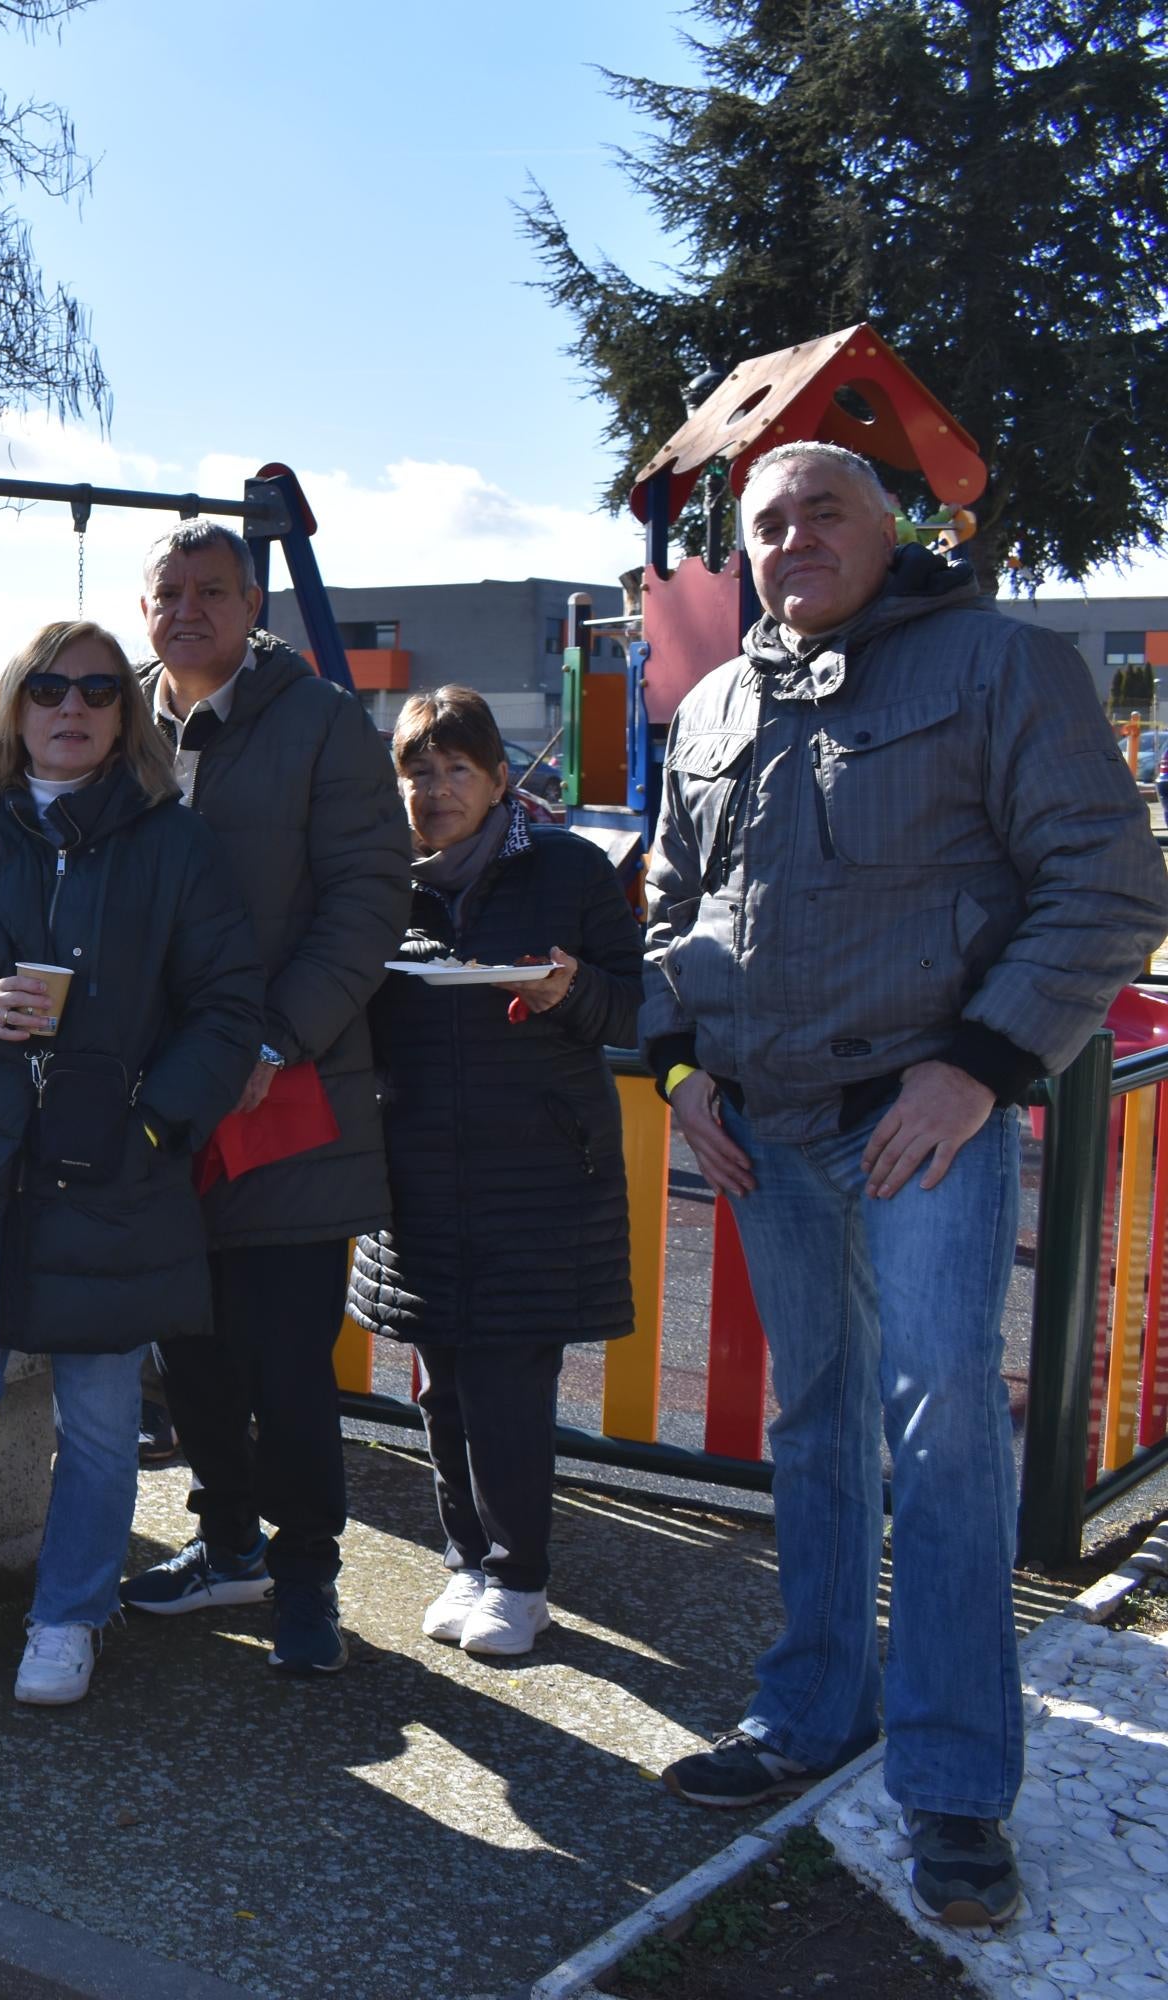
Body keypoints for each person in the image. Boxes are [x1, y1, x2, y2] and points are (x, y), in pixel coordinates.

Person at [644, 441, 1168, 1926]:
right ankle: (814, 1712)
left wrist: (984, 1066)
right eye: (769, 520)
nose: (795, 534)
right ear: (741, 550)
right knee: (813, 1421)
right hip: (764, 1121)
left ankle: (951, 1788)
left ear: (893, 531)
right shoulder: (718, 701)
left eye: (827, 510)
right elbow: (674, 899)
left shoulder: (997, 667)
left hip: (920, 1115)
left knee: (943, 1439)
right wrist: (681, 1071)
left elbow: (1110, 881)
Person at [0, 621, 263, 1707]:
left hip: (112, 1171)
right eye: (46, 687)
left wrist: (158, 1127)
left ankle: (70, 1613)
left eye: (95, 688)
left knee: (99, 1420)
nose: (70, 706)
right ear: (13, 708)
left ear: (124, 714)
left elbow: (226, 1011)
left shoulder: (176, 844)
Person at [118, 520, 409, 1674]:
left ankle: (305, 1575)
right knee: (189, 1352)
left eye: (211, 590)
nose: (187, 610)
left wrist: (281, 1037)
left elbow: (367, 895)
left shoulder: (322, 723)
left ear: (252, 605)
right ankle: (226, 1539)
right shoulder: (119, 719)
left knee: (286, 1362)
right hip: (162, 1100)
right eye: (167, 592)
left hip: (288, 1095)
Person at [346, 685, 643, 1658]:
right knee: (439, 1380)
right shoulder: (380, 881)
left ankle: (521, 1575)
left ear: (500, 778)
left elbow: (637, 1003)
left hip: (540, 1167)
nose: (434, 791)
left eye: (455, 769)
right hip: (418, 1164)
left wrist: (574, 990)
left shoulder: (566, 868)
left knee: (510, 1380)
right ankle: (465, 1557)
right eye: (417, 772)